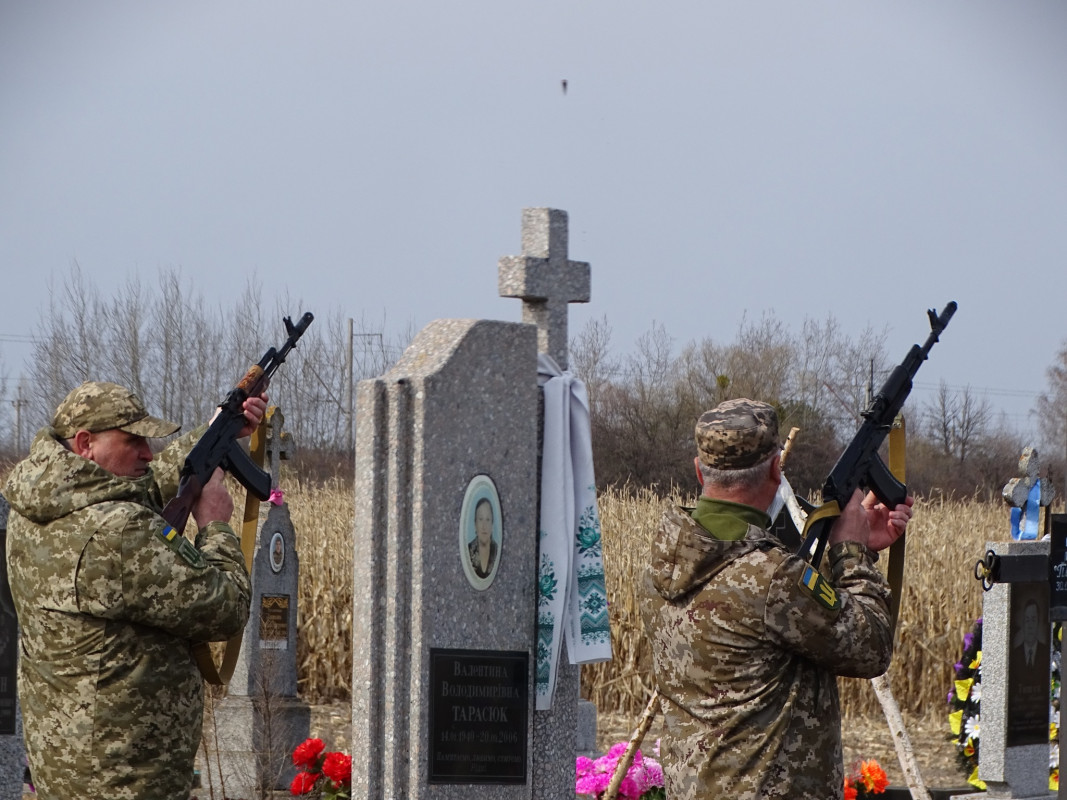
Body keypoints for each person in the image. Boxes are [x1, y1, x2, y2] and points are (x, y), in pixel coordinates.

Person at [638, 398, 914, 800]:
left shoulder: (661, 566)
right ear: (774, 468)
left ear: (699, 471)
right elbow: (871, 646)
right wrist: (851, 550)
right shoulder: (771, 578)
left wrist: (861, 548)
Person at [3, 381, 266, 800]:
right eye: (133, 440)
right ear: (86, 443)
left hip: (68, 764)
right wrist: (215, 525)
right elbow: (227, 607)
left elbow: (139, 486)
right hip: (128, 775)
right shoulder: (120, 531)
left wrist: (217, 431)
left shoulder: (36, 506)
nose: (148, 452)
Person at [468, 497, 498, 579]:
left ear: (492, 524)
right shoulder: (467, 550)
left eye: (488, 519)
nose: (484, 526)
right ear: (475, 524)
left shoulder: (498, 551)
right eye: (480, 519)